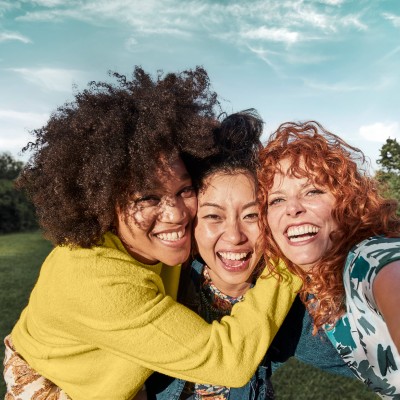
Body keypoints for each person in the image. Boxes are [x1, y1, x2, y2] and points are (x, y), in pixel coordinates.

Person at [3, 67, 300, 400]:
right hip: (56, 385)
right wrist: (290, 260)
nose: (176, 215)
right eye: (148, 197)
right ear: (104, 201)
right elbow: (226, 361)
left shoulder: (156, 240)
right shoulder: (97, 282)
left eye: (185, 190)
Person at [257, 120, 400, 398]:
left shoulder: (366, 258)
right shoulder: (298, 293)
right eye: (276, 200)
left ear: (346, 201)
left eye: (313, 191)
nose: (294, 209)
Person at [147, 109, 274, 399]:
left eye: (252, 215)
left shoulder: (283, 298)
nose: (234, 236)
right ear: (190, 222)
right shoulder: (158, 287)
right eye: (214, 216)